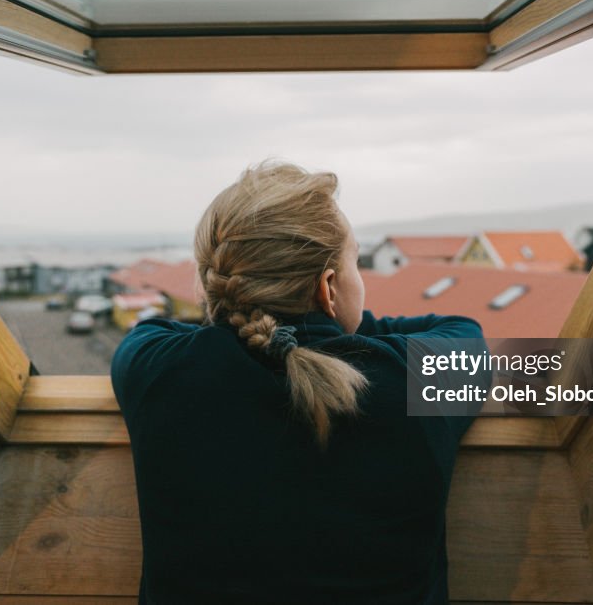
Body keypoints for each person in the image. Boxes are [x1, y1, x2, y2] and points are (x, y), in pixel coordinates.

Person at [111, 162, 487, 604]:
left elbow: (157, 332)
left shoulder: (159, 371)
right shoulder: (410, 379)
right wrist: (344, 329)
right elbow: (463, 332)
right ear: (328, 289)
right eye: (356, 264)